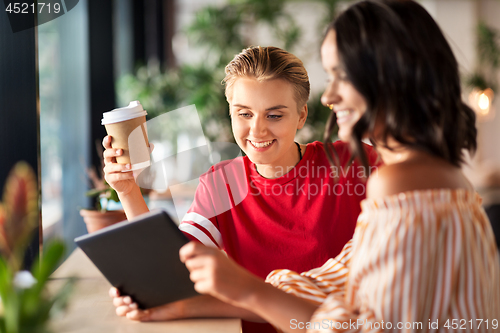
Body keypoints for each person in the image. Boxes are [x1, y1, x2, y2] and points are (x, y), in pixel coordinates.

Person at [175, 1, 500, 332]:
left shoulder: (396, 183)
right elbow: (332, 284)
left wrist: (246, 289)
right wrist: (188, 304)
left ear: (389, 78)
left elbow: (355, 326)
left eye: (340, 76)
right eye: (244, 113)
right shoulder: (431, 176)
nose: (328, 96)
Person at [104, 46, 378, 332]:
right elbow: (169, 274)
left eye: (274, 116)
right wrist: (127, 190)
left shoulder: (351, 163)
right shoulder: (221, 184)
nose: (257, 130)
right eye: (244, 114)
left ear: (301, 116)